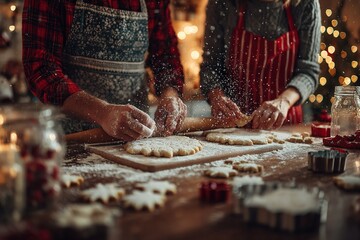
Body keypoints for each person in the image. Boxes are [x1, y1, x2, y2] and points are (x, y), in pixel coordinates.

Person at [22, 0, 187, 141]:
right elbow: (41, 69)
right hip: (72, 139)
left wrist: (169, 95)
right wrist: (102, 112)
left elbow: (166, 55)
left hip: (137, 137)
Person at [201, 0, 320, 129]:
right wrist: (216, 96)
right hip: (231, 124)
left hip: (285, 127)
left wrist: (284, 101)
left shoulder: (306, 4)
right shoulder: (223, 4)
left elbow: (308, 72)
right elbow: (211, 67)